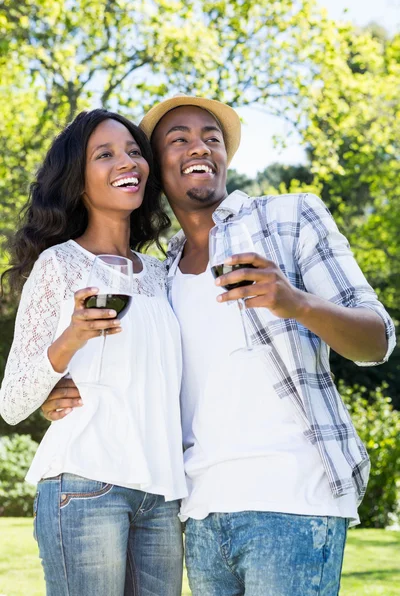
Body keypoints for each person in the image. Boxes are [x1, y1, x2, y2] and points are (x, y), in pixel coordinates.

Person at [41, 95, 396, 596]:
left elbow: (377, 339)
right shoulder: (155, 276)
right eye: (178, 139)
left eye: (212, 137)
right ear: (154, 168)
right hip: (199, 517)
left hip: (292, 500)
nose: (199, 147)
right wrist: (57, 386)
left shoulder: (289, 217)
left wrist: (295, 303)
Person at [0, 109, 187, 596]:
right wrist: (72, 339)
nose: (127, 162)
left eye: (132, 152)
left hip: (162, 494)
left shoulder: (162, 273)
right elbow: (13, 401)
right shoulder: (59, 265)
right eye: (104, 154)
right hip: (85, 485)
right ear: (78, 181)